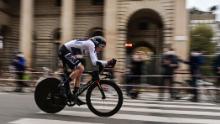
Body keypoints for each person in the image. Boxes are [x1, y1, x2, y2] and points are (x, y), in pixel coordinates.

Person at [58, 36, 116, 105]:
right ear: (97, 44)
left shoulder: (91, 45)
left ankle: (74, 95)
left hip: (70, 52)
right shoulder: (91, 44)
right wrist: (108, 62)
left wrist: (105, 65)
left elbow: (95, 61)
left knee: (80, 71)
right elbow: (94, 62)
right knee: (80, 68)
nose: (101, 49)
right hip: (64, 50)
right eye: (101, 46)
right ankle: (64, 85)